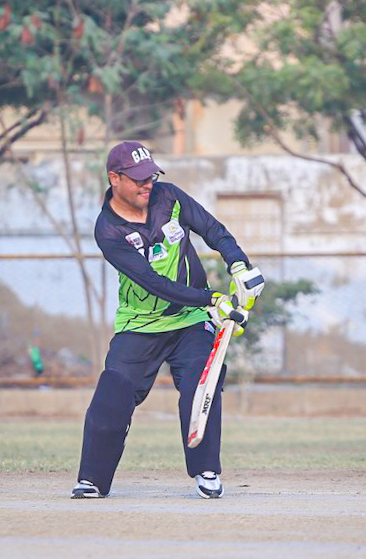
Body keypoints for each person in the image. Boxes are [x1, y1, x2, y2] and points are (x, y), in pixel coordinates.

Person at [71, 141, 264, 500]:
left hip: (190, 320)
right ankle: (93, 479)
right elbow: (154, 283)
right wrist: (213, 300)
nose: (148, 185)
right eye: (139, 180)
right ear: (114, 178)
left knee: (201, 384)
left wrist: (239, 265)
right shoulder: (108, 230)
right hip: (140, 323)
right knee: (113, 392)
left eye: (151, 177)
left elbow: (212, 229)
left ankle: (206, 470)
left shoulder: (169, 197)